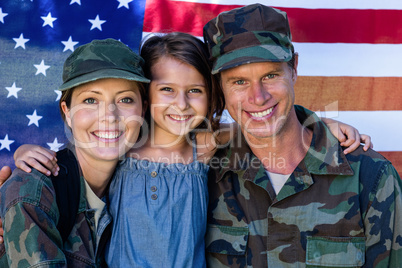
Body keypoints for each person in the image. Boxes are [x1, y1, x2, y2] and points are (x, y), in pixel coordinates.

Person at [2, 33, 372, 267]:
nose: (180, 104)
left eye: (194, 90)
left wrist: (320, 125)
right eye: (166, 90)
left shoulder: (205, 146)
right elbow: (78, 155)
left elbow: (262, 130)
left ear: (211, 95)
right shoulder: (124, 149)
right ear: (146, 96)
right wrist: (25, 153)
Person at [203, 4, 402, 267]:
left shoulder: (371, 177)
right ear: (220, 86)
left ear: (294, 68)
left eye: (270, 75)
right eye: (239, 81)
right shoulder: (204, 174)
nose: (258, 97)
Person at [0, 38, 149, 267]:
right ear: (67, 111)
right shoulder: (33, 191)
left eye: (125, 99)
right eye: (90, 100)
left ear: (143, 110)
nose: (109, 116)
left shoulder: (141, 190)